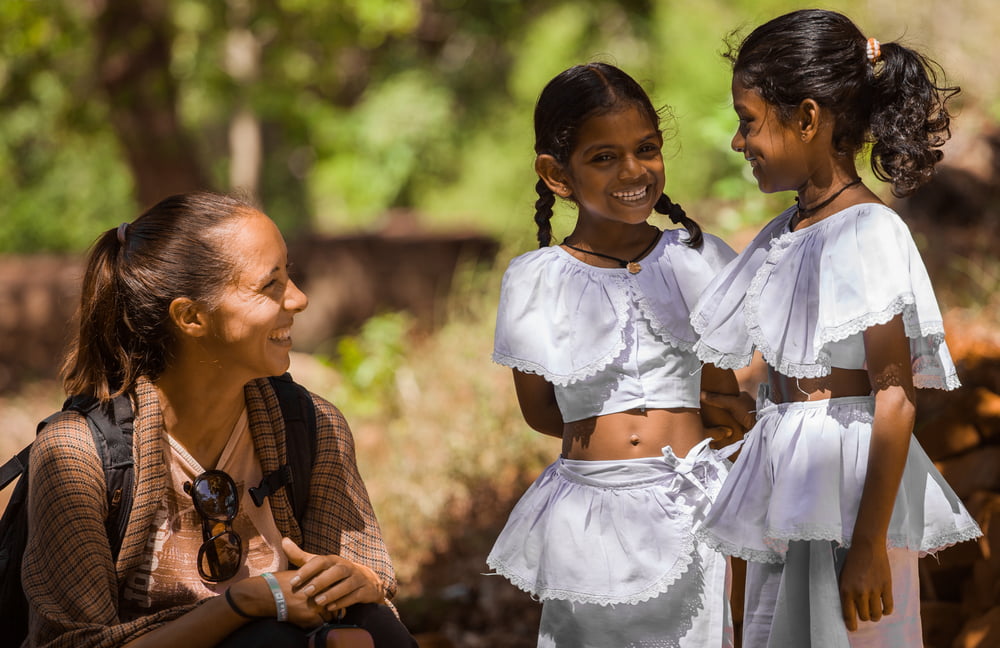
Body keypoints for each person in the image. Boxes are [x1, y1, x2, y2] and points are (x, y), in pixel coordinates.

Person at [690, 9, 983, 647]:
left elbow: (895, 394)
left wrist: (870, 544)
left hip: (848, 493)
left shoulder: (870, 232)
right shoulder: (781, 235)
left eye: (748, 121)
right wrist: (737, 408)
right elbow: (751, 361)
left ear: (807, 117)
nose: (739, 142)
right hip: (785, 483)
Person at [20, 192, 417, 647]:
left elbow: (366, 596)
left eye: (291, 274)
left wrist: (353, 582)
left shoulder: (310, 426)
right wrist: (243, 604)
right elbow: (72, 642)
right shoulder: (77, 456)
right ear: (191, 317)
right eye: (271, 285)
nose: (300, 299)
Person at [487, 62, 743, 648]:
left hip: (691, 506)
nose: (633, 171)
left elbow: (721, 387)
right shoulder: (535, 280)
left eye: (646, 149)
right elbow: (540, 411)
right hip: (589, 514)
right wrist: (612, 449)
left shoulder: (698, 260)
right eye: (603, 157)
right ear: (556, 174)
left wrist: (693, 423)